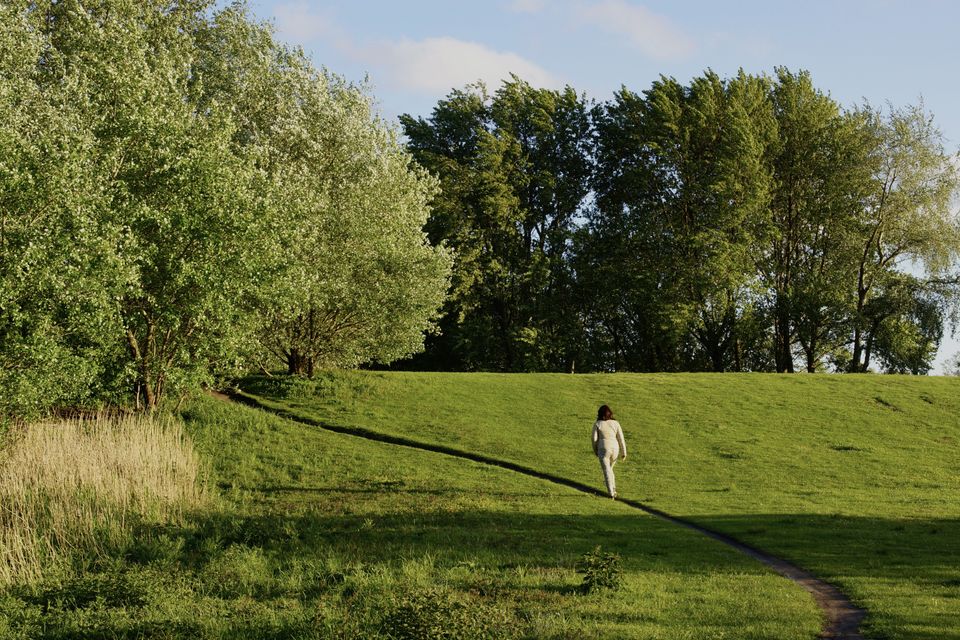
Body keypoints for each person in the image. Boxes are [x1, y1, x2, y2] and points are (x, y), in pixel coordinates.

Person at [592, 404, 626, 499]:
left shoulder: (597, 424)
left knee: (606, 470)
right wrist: (624, 452)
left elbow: (594, 439)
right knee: (610, 470)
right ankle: (614, 489)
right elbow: (621, 438)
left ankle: (611, 492)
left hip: (603, 448)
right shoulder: (616, 423)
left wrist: (595, 450)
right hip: (615, 448)